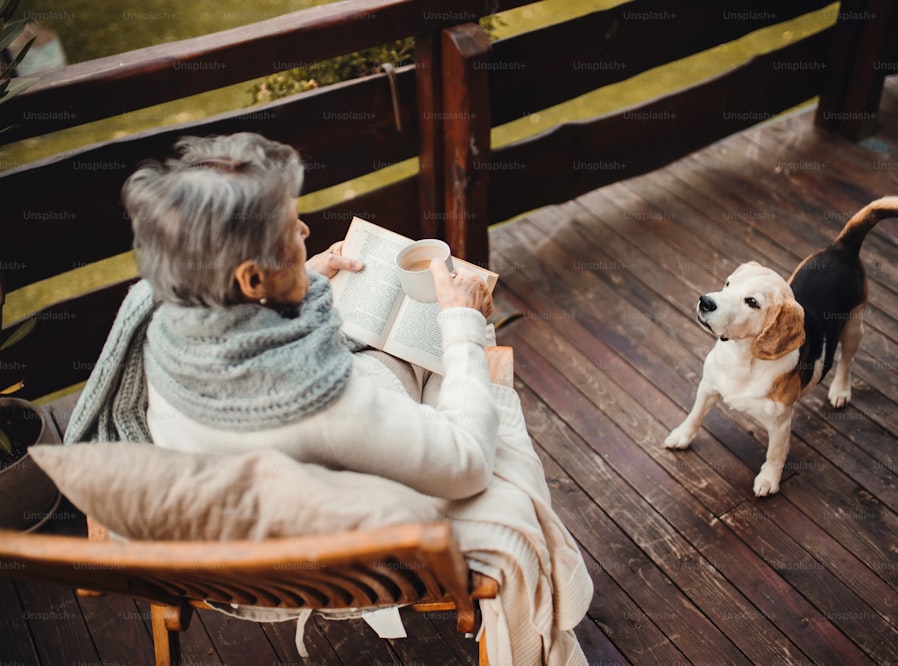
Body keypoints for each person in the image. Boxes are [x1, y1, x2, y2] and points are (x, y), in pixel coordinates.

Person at [64, 133, 592, 664]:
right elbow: (467, 466)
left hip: (231, 530)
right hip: (337, 559)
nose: (304, 230)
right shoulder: (318, 396)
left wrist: (297, 276)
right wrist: (462, 323)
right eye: (288, 229)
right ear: (249, 277)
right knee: (478, 379)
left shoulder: (161, 319)